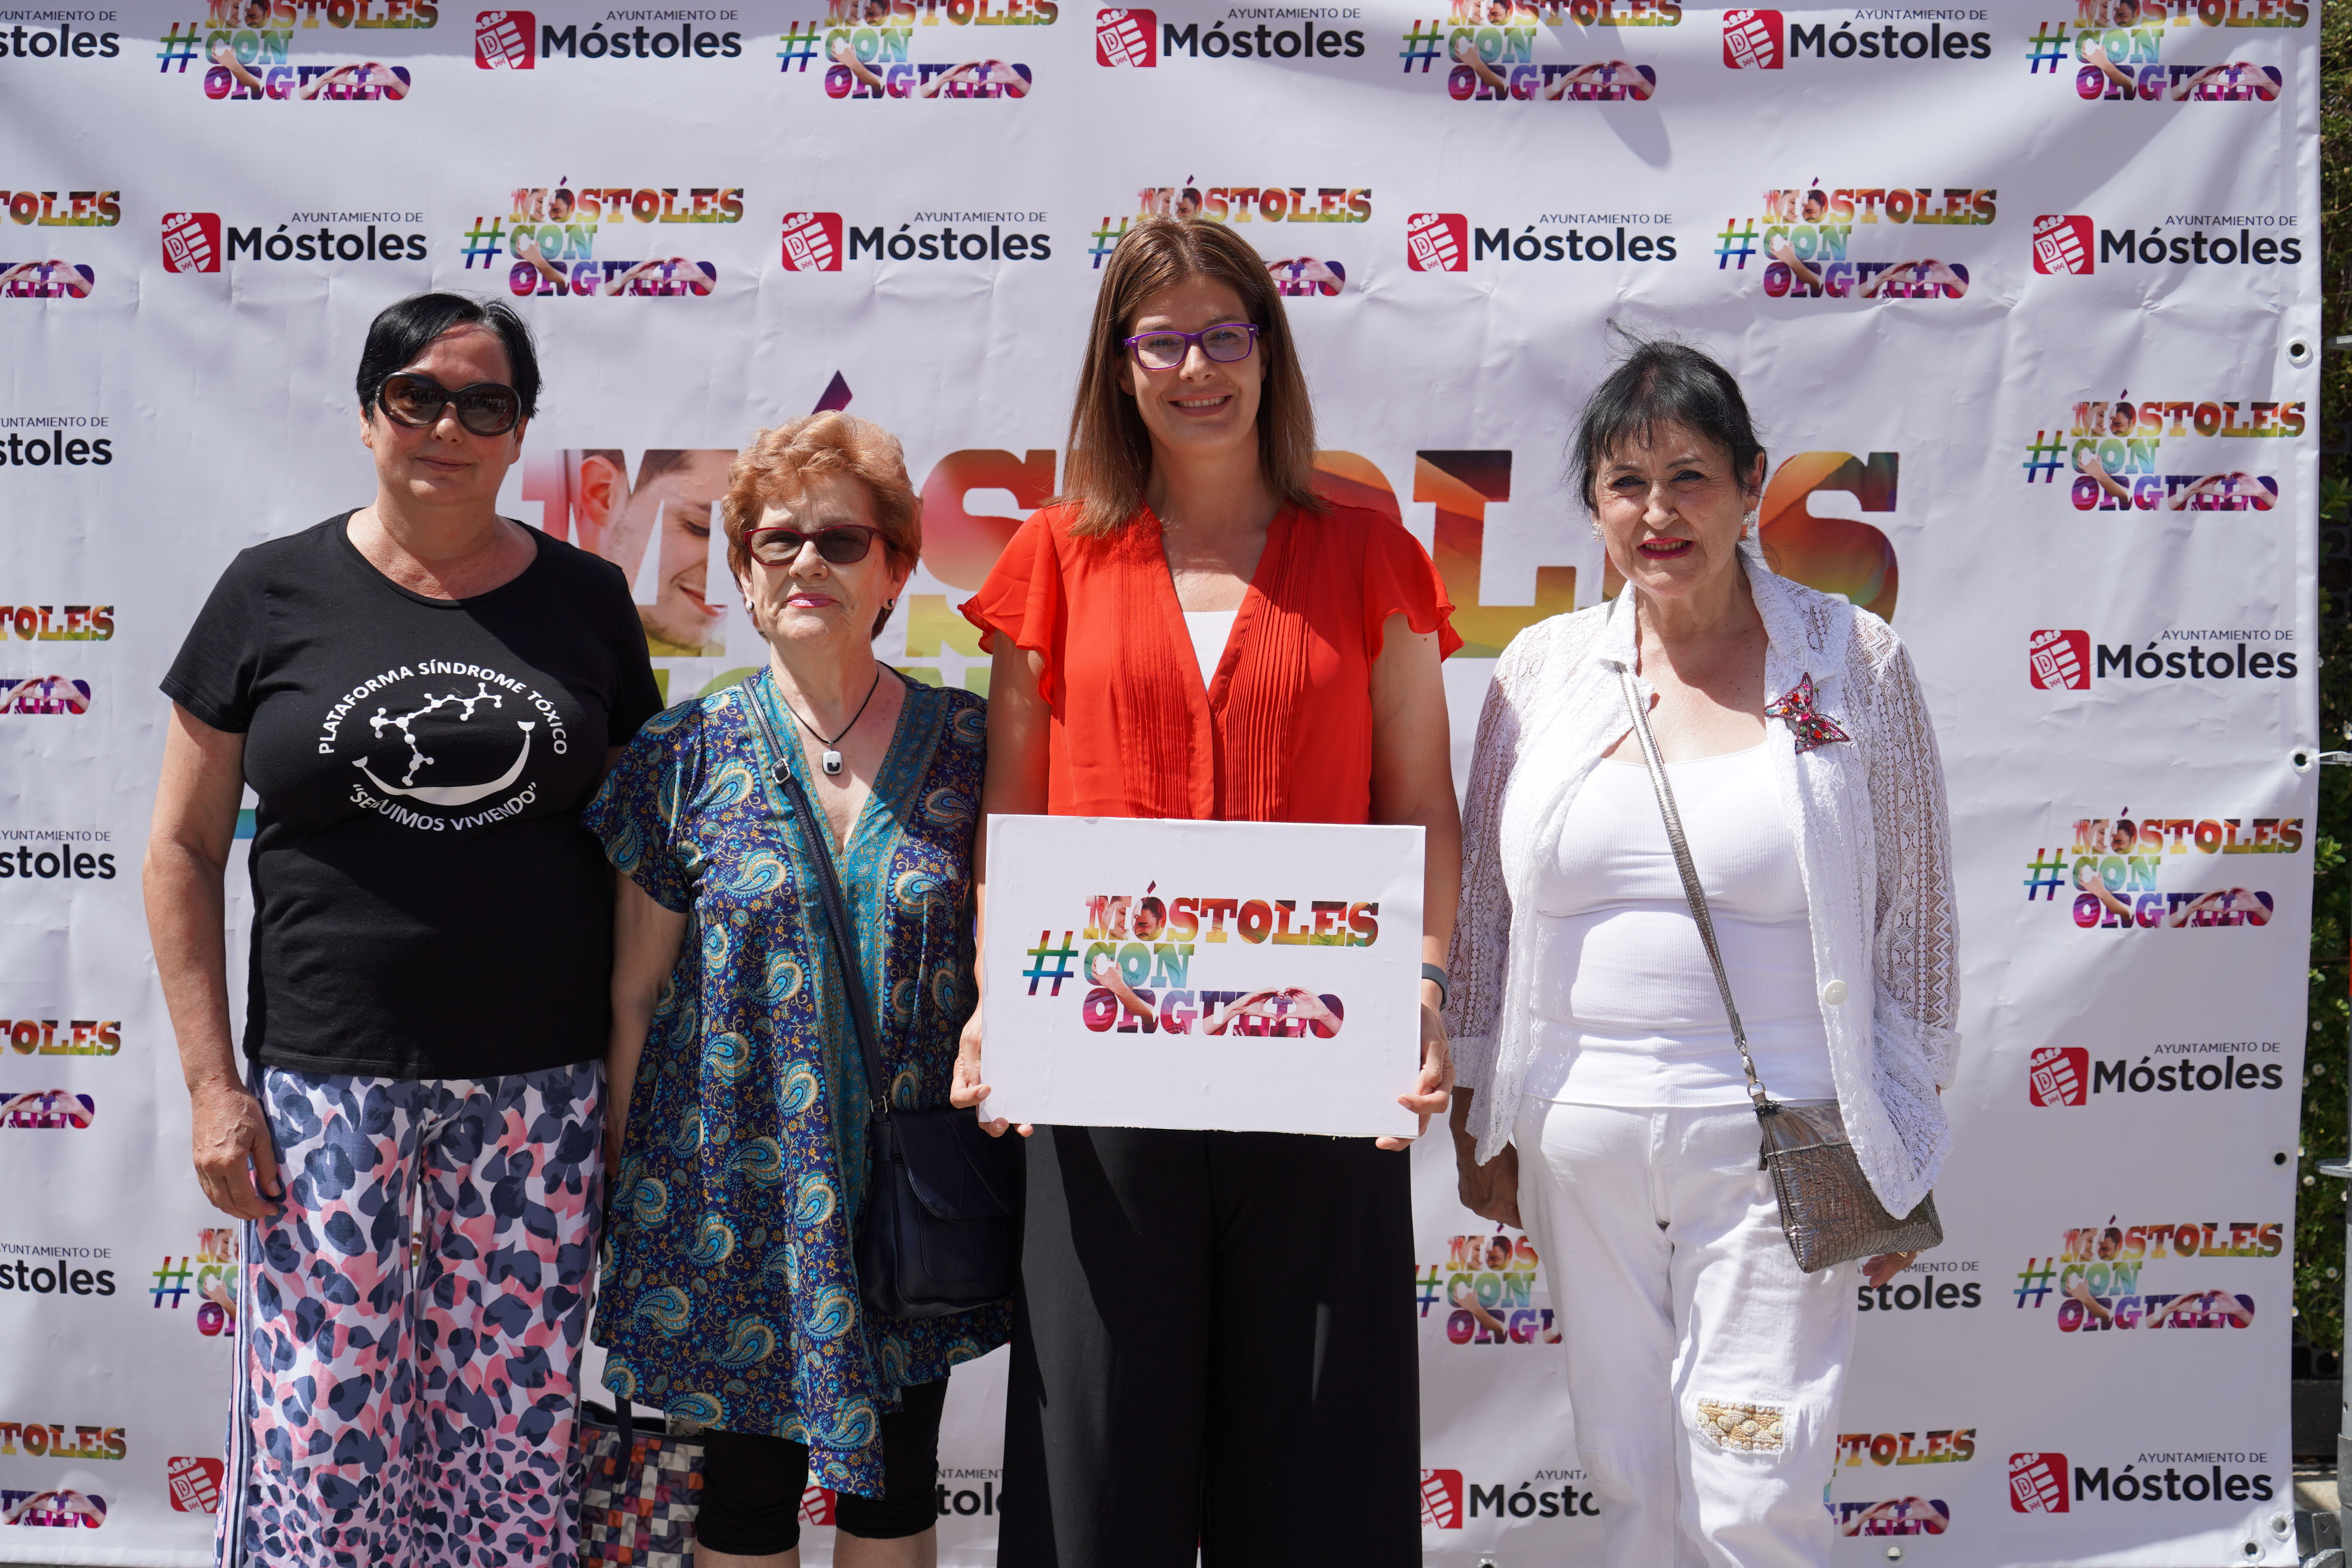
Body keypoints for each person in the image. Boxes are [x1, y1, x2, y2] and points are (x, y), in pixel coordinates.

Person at [951, 215, 1460, 1566]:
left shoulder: (1371, 552)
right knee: (1096, 1485)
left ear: (1269, 351)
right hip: (1103, 1059)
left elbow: (1420, 800)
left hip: (1320, 1060)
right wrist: (1000, 997)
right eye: (1163, 341)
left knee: (1317, 1488)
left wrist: (1420, 981)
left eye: (1225, 336)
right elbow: (1014, 815)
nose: (1198, 369)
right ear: (1118, 365)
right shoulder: (1054, 556)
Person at [144, 292, 662, 1567]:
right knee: (320, 1437)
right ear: (368, 415)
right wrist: (214, 1088)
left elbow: (643, 857)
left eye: (484, 404)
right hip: (324, 1094)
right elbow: (181, 849)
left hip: (540, 1094)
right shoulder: (269, 591)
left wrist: (629, 1075)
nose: (448, 428)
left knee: (513, 1447)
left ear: (521, 430)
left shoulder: (589, 599)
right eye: (416, 396)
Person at [1446, 339, 1959, 1567]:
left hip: (1787, 1131)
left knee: (1754, 1487)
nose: (1658, 512)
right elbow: (1486, 913)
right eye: (1626, 483)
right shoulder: (1542, 670)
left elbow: (1919, 926)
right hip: (1577, 1131)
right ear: (1593, 506)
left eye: (1690, 477)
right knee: (1630, 1474)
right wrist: (1478, 1111)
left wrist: (1900, 1128)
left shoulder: (1852, 660)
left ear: (1750, 486)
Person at [586, 412, 1007, 1567]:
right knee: (743, 1496)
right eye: (778, 541)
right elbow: (634, 996)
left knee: (897, 1490)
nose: (808, 561)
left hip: (908, 1197)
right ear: (744, 572)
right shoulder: (682, 755)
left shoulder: (974, 746)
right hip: (728, 1192)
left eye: (842, 539)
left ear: (896, 571)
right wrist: (618, 1179)